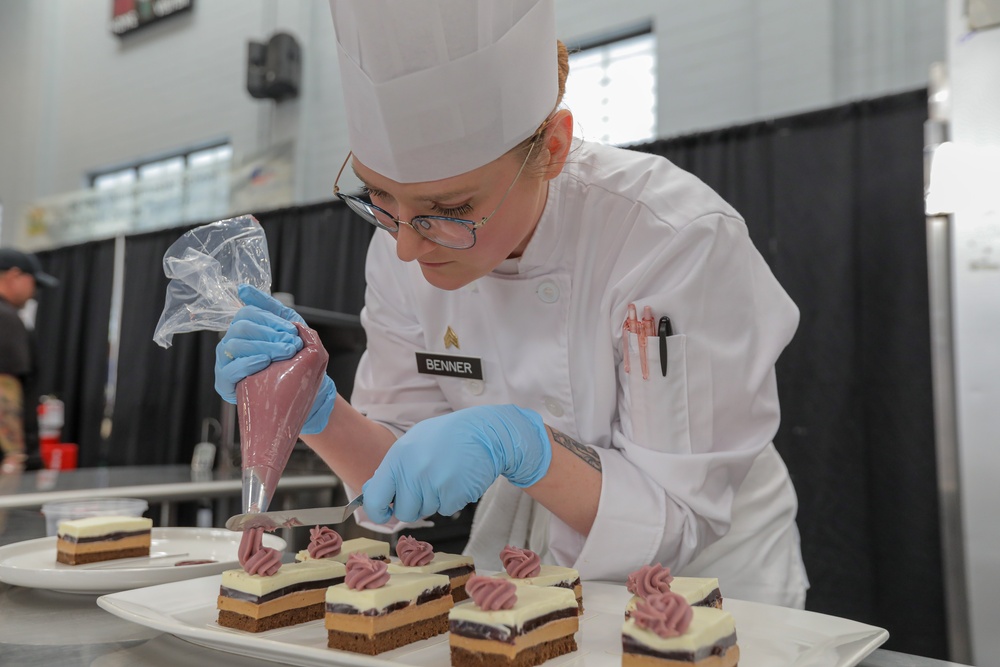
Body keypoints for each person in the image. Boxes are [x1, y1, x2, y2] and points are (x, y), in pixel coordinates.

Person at [216, 0, 809, 607]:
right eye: (378, 197)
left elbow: (676, 519)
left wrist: (527, 445)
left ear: (552, 149)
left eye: (449, 212)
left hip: (713, 588)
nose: (405, 246)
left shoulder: (672, 238)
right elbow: (393, 480)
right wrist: (320, 412)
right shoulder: (399, 241)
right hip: (530, 584)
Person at [0, 248, 58, 473]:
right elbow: (4, 388)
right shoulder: (5, 319)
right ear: (15, 276)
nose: (34, 293)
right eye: (33, 283)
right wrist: (14, 458)